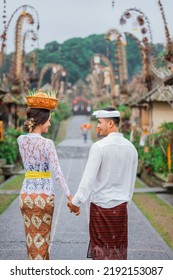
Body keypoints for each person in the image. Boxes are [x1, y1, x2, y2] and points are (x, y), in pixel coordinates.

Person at [68, 106, 138, 260]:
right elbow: (131, 182)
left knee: (100, 255)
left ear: (111, 124)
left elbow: (88, 179)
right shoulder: (131, 149)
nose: (97, 126)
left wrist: (76, 201)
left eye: (100, 122)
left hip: (100, 208)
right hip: (121, 210)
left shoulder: (99, 147)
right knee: (117, 255)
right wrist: (125, 203)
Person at [17, 90, 72, 260]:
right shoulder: (47, 144)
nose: (50, 124)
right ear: (40, 122)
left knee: (31, 242)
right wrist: (70, 197)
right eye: (48, 120)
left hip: (26, 196)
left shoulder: (20, 140)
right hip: (43, 197)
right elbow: (57, 173)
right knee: (43, 242)